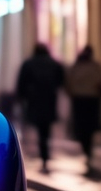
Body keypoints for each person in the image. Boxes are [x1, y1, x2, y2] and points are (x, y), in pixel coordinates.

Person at [16, 42, 65, 173]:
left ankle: (43, 154)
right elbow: (61, 80)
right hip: (49, 100)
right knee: (46, 129)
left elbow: (21, 83)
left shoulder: (29, 64)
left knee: (39, 128)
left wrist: (22, 97)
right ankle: (45, 155)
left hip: (34, 101)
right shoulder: (54, 64)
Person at [65, 45, 101, 175]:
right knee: (89, 129)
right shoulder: (96, 67)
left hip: (79, 101)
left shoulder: (76, 67)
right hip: (92, 101)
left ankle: (87, 150)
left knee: (82, 129)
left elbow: (68, 84)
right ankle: (88, 151)